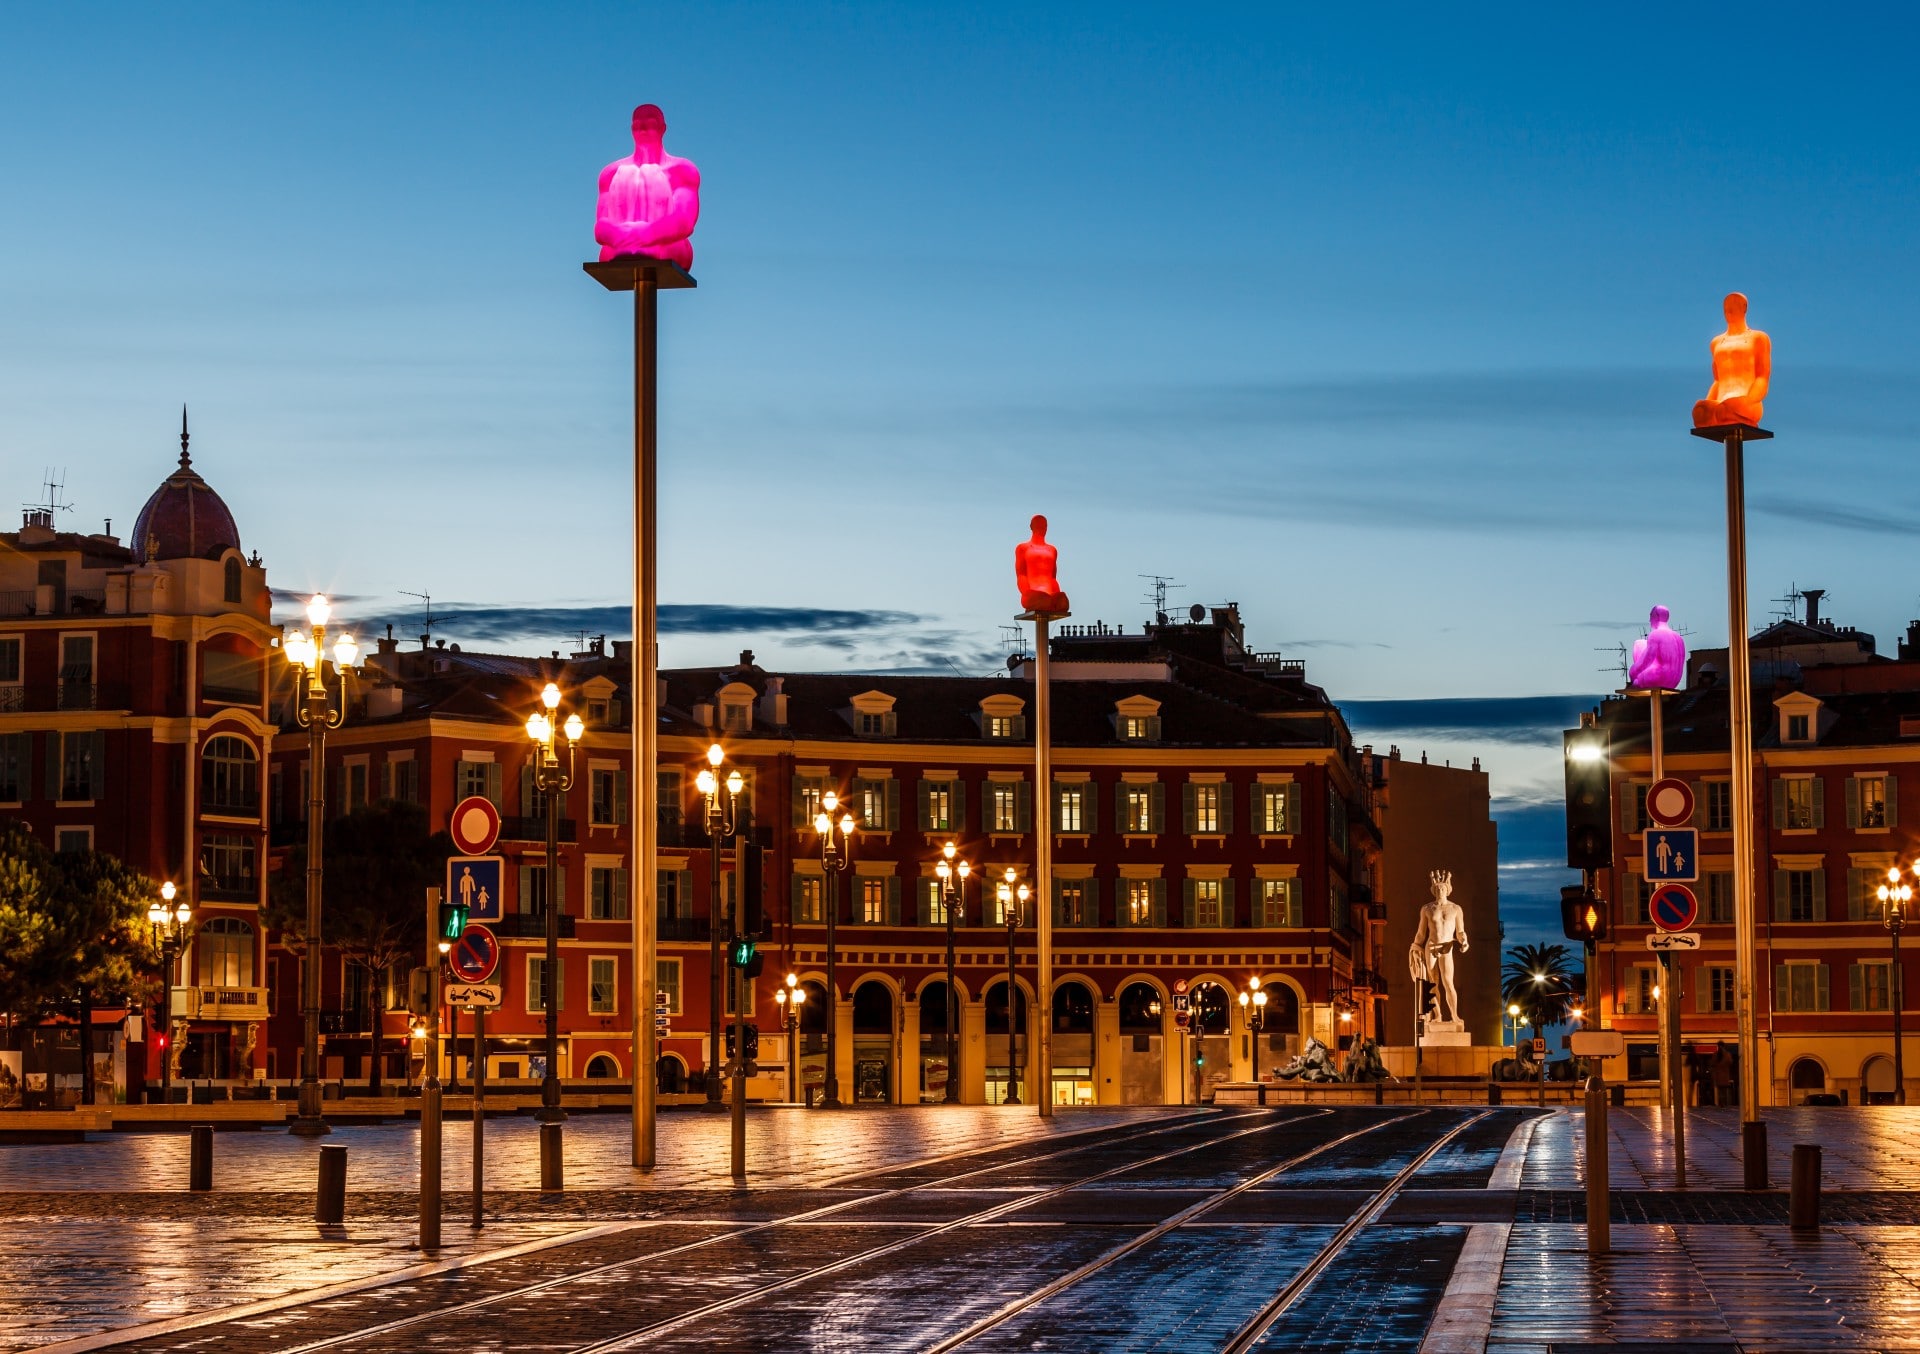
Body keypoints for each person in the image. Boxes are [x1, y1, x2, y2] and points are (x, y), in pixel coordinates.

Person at [595, 104, 702, 268]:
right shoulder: (611, 173)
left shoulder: (682, 170)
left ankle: (639, 250)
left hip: (669, 249)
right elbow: (601, 227)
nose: (642, 129)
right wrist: (621, 235)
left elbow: (684, 220)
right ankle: (631, 251)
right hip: (619, 247)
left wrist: (646, 233)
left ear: (662, 128)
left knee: (650, 173)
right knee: (626, 174)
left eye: (650, 124)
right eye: (637, 125)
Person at [1692, 292, 1771, 428]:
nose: (1729, 309)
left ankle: (1729, 415)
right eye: (1726, 306)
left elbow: (1762, 378)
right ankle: (1719, 414)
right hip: (1722, 401)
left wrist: (1748, 400)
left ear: (1744, 308)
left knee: (1726, 409)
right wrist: (1707, 403)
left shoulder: (1758, 338)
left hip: (1747, 402)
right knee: (1699, 411)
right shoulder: (1716, 342)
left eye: (1734, 305)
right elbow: (1717, 381)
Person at [1409, 870, 1469, 1025]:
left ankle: (1454, 1016)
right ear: (1434, 890)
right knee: (1432, 982)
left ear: (1448, 890)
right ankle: (1438, 1015)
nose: (1440, 891)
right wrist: (1415, 947)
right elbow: (1421, 933)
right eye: (1437, 889)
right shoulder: (1427, 909)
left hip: (1447, 946)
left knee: (1448, 982)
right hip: (1431, 946)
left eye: (1443, 888)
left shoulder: (1456, 909)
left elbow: (1460, 931)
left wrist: (1464, 941)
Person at [1014, 515, 1069, 615]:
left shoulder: (1052, 550)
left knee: (1063, 601)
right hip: (1033, 595)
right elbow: (1021, 576)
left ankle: (1051, 603)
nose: (1042, 529)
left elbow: (1053, 578)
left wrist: (1057, 595)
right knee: (1043, 600)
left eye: (1044, 526)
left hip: (1049, 596)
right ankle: (1046, 602)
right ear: (1031, 527)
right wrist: (1026, 593)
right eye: (1039, 525)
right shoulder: (1023, 548)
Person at [1629, 605, 1687, 691]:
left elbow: (1646, 661)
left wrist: (1632, 673)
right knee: (1642, 643)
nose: (1649, 620)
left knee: (1638, 644)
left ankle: (1637, 680)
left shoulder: (1655, 634)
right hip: (1675, 681)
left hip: (1657, 678)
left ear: (1656, 616)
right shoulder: (1679, 638)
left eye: (1651, 616)